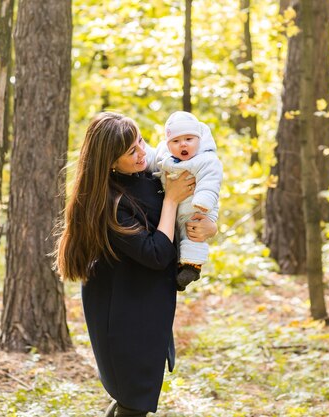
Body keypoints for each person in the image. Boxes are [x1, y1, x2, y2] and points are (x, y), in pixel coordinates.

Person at [55, 112, 218, 416]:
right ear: (110, 161)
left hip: (150, 304)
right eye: (131, 151)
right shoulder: (109, 203)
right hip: (122, 313)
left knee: (131, 401)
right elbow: (157, 253)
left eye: (140, 141)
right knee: (132, 400)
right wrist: (170, 200)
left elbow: (182, 220)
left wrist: (208, 227)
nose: (143, 152)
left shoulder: (149, 175)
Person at [148, 111, 222, 291]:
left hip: (198, 208)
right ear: (168, 144)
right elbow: (154, 166)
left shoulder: (206, 160)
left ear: (199, 140)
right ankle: (180, 267)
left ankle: (192, 267)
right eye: (176, 141)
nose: (183, 144)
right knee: (178, 238)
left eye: (189, 139)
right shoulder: (165, 159)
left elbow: (211, 180)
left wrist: (203, 200)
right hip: (176, 210)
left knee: (193, 235)